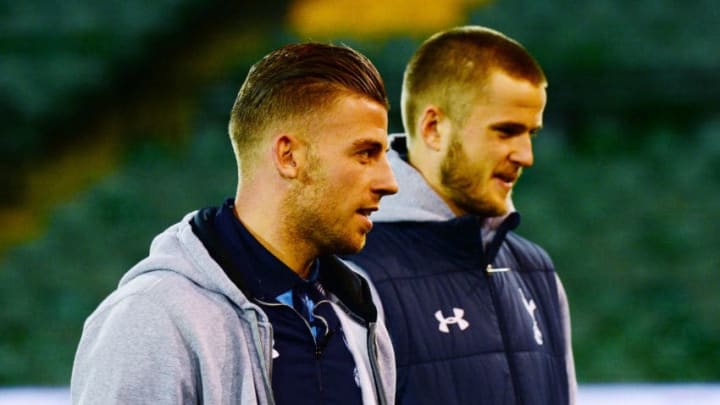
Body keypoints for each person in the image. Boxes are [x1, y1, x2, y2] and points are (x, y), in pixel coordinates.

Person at [71, 42, 399, 404]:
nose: (389, 181)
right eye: (365, 154)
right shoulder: (151, 320)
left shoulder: (357, 310)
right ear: (289, 156)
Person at [345, 26, 577, 404]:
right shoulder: (348, 272)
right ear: (434, 128)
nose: (525, 156)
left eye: (530, 134)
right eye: (506, 131)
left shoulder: (537, 271)